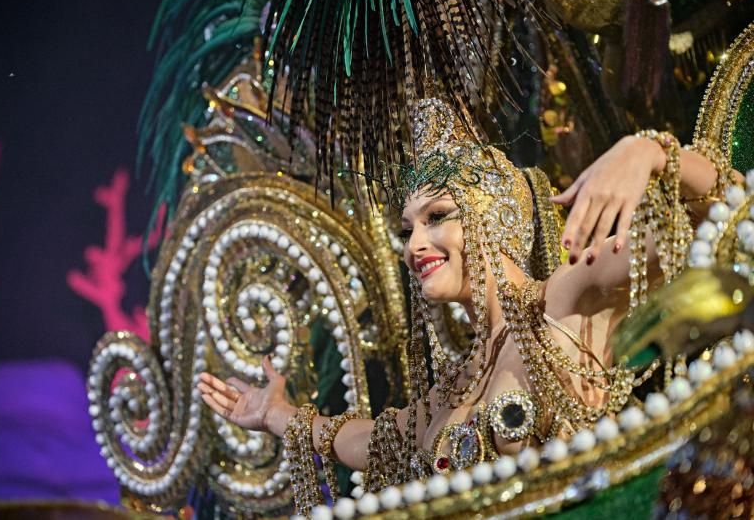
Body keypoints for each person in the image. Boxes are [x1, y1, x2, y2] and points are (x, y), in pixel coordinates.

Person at [196, 96, 737, 514]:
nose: (413, 245)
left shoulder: (566, 299)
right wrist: (278, 416)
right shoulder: (453, 387)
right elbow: (380, 443)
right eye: (408, 229)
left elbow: (718, 226)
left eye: (436, 218)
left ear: (493, 216)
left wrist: (650, 152)